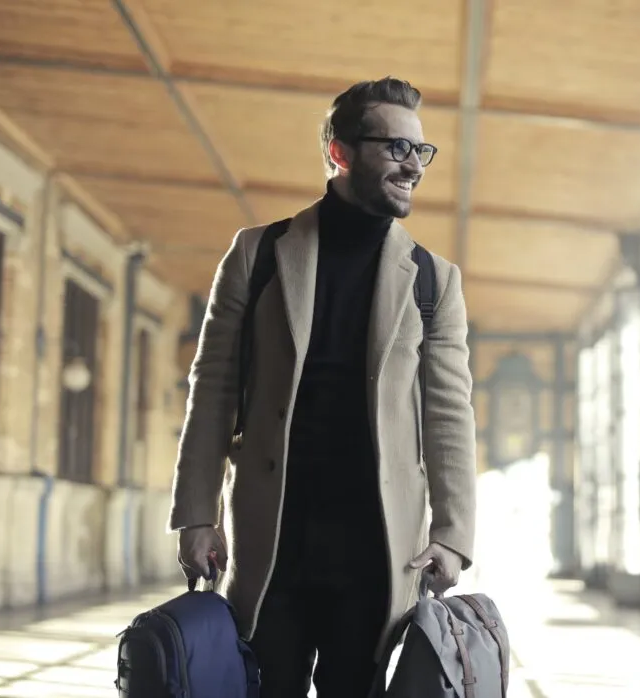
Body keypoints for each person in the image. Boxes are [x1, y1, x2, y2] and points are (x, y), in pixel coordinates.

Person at [167, 76, 477, 698]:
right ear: (340, 153)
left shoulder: (432, 280)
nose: (414, 165)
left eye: (421, 151)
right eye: (396, 148)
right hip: (271, 537)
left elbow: (450, 414)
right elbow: (213, 388)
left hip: (377, 545)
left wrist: (452, 533)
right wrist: (196, 513)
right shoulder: (257, 254)